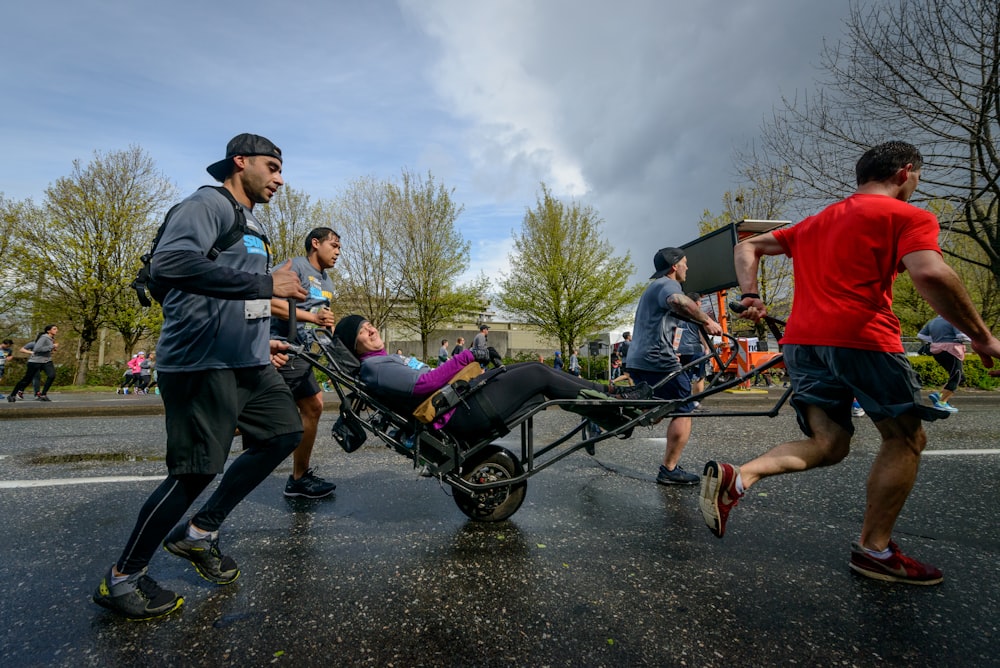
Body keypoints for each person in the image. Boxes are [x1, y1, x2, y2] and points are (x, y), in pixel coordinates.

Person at [701, 141, 1000, 586]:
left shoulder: (816, 221)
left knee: (830, 443)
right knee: (904, 439)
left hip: (803, 344)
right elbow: (931, 273)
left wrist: (750, 295)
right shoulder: (908, 217)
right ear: (905, 172)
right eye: (917, 178)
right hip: (863, 339)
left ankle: (739, 477)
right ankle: (875, 551)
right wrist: (981, 336)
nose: (916, 185)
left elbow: (747, 248)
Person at [92, 133, 309, 621]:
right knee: (195, 471)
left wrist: (260, 335)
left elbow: (239, 293)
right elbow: (172, 263)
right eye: (271, 167)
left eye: (281, 169)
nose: (280, 178)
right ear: (240, 162)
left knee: (283, 433)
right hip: (200, 361)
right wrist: (264, 282)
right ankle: (123, 577)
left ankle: (199, 533)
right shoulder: (206, 204)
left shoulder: (253, 223)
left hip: (247, 360)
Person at [332, 315, 652, 440]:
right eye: (363, 330)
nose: (371, 329)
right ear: (354, 344)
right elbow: (425, 385)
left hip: (459, 403)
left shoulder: (382, 361)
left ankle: (610, 405)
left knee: (536, 375)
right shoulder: (375, 367)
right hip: (458, 414)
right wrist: (469, 355)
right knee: (539, 373)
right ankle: (614, 400)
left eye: (370, 324)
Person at [627, 248, 723, 485]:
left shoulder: (653, 288)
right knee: (684, 407)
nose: (687, 268)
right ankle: (669, 470)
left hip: (640, 359)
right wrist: (707, 320)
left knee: (657, 409)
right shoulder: (668, 286)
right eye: (685, 263)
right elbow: (678, 301)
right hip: (657, 360)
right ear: (674, 266)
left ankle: (600, 420)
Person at [269, 226, 342, 499]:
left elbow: (323, 320)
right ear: (315, 243)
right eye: (333, 246)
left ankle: (299, 478)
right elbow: (264, 300)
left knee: (311, 408)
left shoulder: (328, 283)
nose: (337, 253)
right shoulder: (294, 268)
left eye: (339, 249)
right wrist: (312, 319)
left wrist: (334, 342)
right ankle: (207, 438)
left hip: (302, 353)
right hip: (279, 347)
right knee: (308, 408)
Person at [917, 315, 970, 413]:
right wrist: (974, 339)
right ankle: (942, 402)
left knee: (959, 377)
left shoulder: (932, 321)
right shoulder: (953, 319)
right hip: (952, 350)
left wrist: (936, 340)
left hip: (936, 349)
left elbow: (920, 336)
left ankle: (940, 395)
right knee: (956, 377)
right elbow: (960, 336)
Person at [8, 325, 58, 402]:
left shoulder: (51, 339)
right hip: (35, 361)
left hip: (47, 361)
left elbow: (48, 349)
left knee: (52, 375)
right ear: (48, 331)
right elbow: (37, 349)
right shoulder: (44, 337)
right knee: (27, 380)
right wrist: (51, 346)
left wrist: (53, 348)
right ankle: (12, 395)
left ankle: (43, 394)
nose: (57, 330)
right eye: (54, 329)